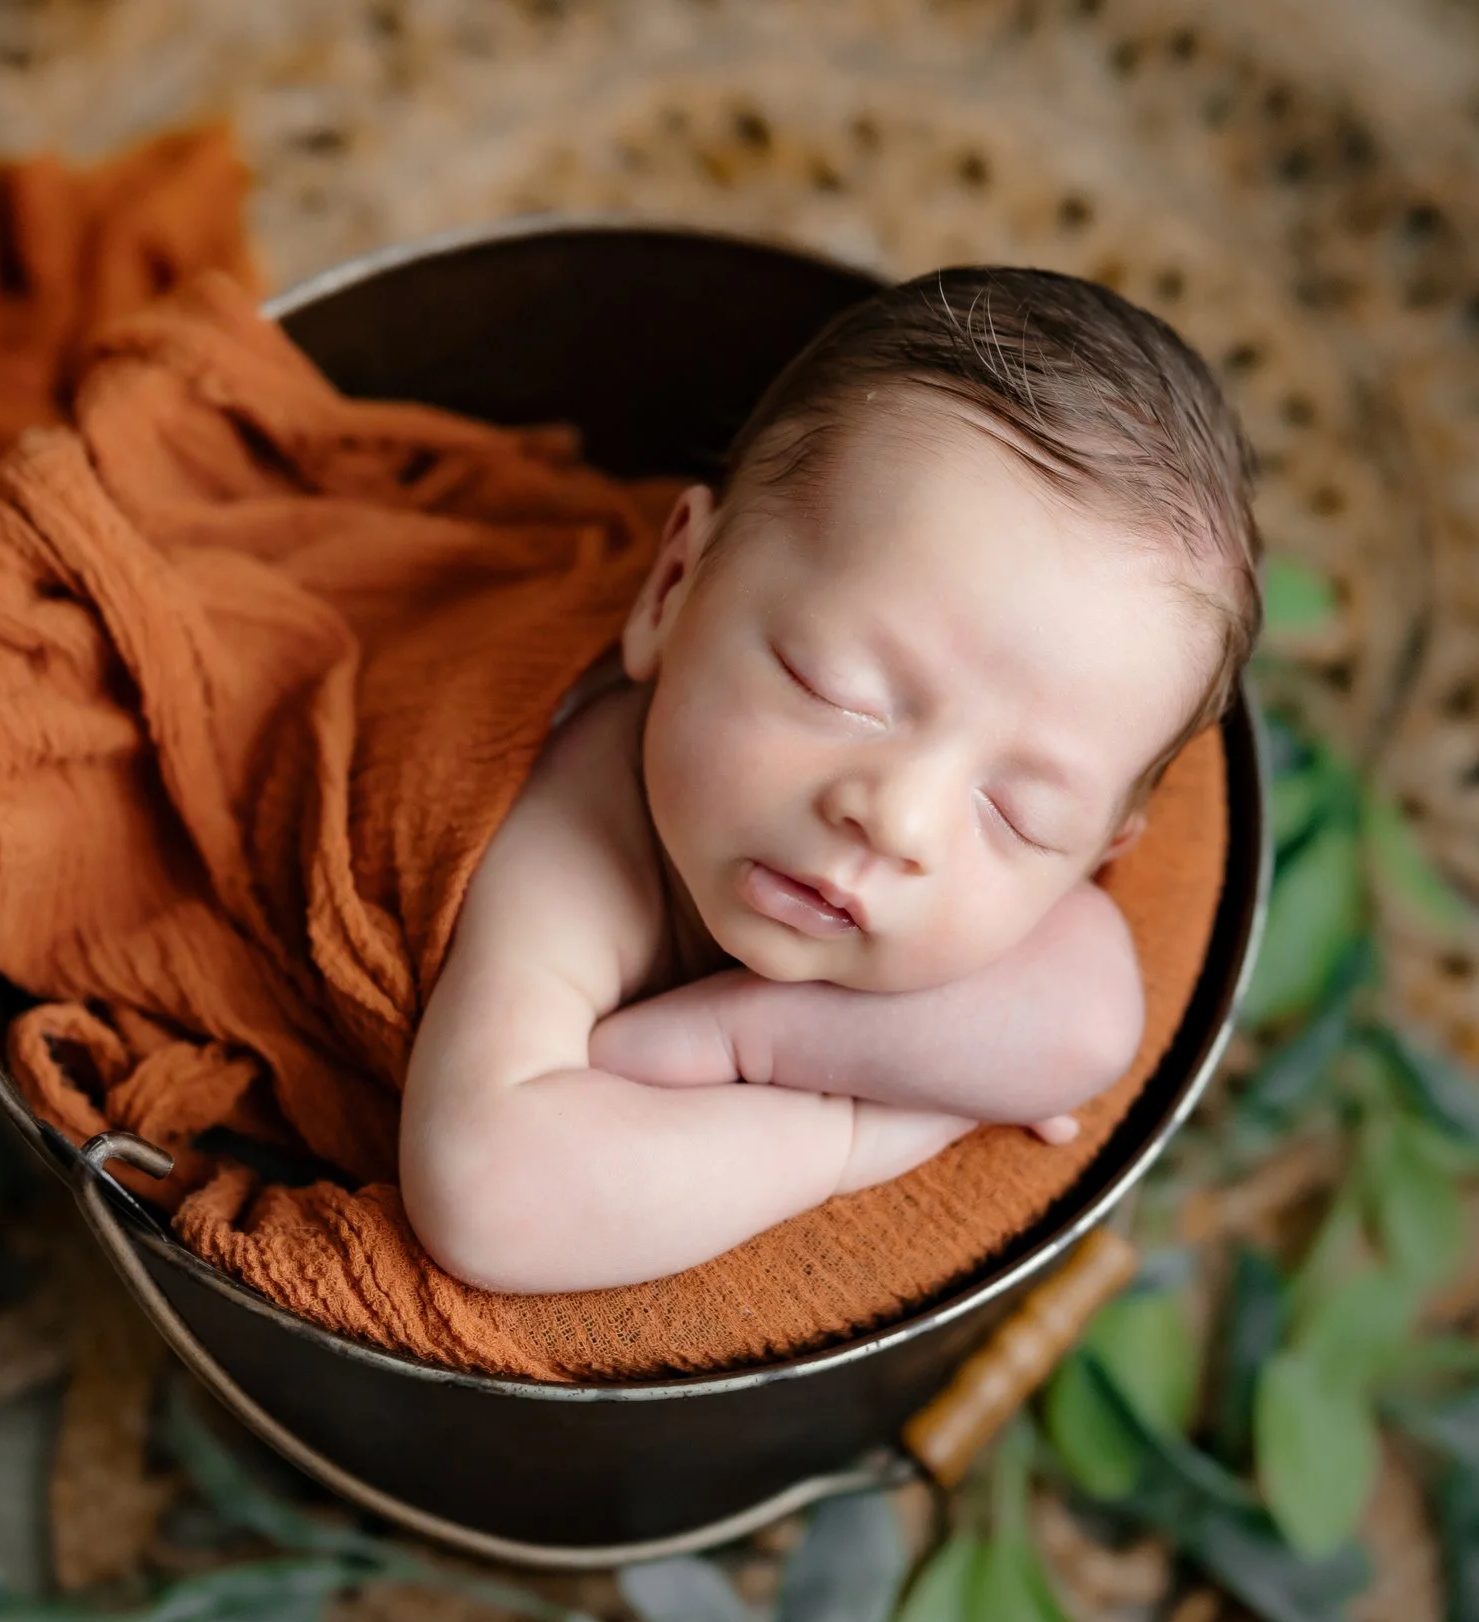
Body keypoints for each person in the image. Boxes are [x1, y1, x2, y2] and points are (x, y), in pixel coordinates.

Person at [398, 267, 1261, 1294]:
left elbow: (1085, 1020)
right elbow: (487, 1194)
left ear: (1098, 854)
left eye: (1017, 815)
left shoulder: (974, 887)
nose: (897, 817)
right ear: (673, 590)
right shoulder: (583, 834)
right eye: (837, 688)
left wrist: (748, 1040)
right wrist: (846, 1133)